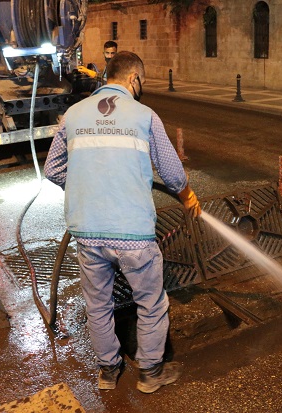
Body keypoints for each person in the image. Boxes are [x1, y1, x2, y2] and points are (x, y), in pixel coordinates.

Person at [44, 51, 201, 394]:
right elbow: (173, 174)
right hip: (133, 232)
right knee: (151, 302)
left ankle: (108, 372)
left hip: (87, 231)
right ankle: (150, 373)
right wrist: (188, 197)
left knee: (98, 305)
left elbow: (53, 169)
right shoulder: (144, 115)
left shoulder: (72, 114)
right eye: (141, 81)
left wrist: (88, 182)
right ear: (134, 79)